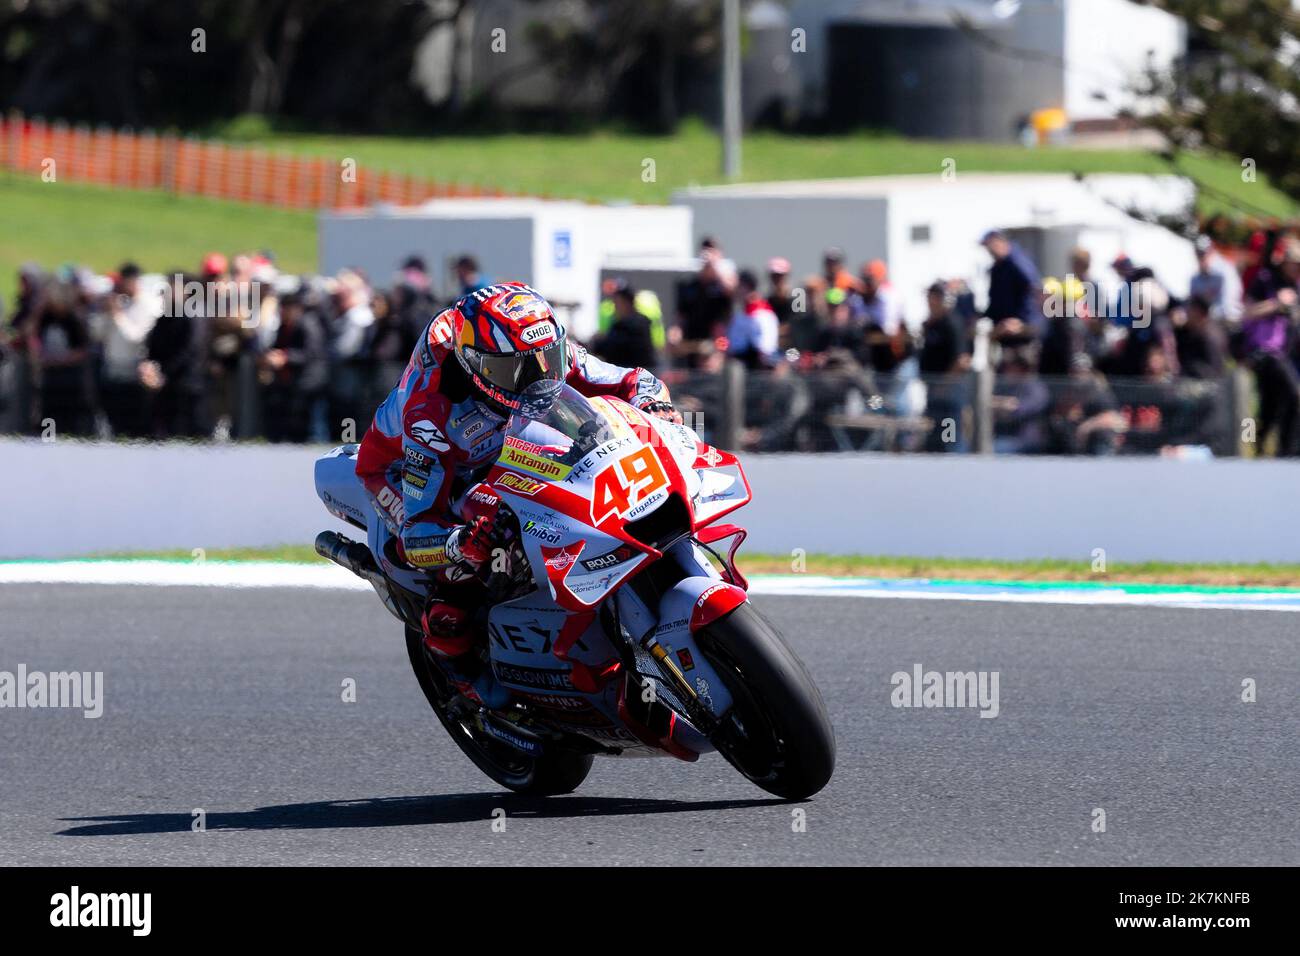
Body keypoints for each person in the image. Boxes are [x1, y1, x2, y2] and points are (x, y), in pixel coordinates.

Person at [355, 282, 680, 705]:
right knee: (467, 562)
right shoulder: (431, 414)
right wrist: (460, 541)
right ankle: (466, 679)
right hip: (406, 471)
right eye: (517, 372)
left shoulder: (538, 353)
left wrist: (655, 406)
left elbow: (631, 379)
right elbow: (419, 532)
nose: (538, 378)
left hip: (505, 441)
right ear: (476, 366)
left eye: (546, 362)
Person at [981, 229, 1042, 342]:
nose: (989, 251)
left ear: (999, 242)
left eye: (990, 246)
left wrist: (1024, 322)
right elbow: (996, 300)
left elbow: (1034, 290)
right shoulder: (998, 268)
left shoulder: (1018, 262)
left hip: (1022, 332)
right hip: (1004, 332)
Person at [594, 281, 658, 370]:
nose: (615, 306)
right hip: (628, 376)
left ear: (626, 302)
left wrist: (596, 342)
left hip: (635, 379)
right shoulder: (622, 324)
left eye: (617, 301)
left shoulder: (636, 324)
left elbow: (609, 348)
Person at [726, 269, 780, 368]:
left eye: (739, 286)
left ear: (746, 287)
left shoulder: (764, 314)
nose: (736, 290)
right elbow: (733, 345)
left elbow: (766, 348)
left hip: (760, 365)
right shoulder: (739, 314)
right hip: (741, 361)